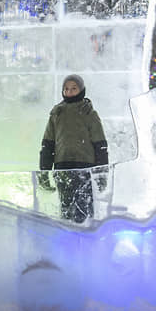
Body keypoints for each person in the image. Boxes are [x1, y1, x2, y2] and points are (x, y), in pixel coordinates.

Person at [38, 74, 109, 223]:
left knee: (84, 207)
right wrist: (44, 171)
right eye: (66, 89)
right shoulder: (56, 113)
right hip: (62, 166)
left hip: (85, 167)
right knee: (66, 207)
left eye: (74, 89)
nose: (69, 92)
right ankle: (68, 238)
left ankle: (86, 236)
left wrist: (101, 173)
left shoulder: (89, 113)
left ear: (82, 90)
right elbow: (47, 144)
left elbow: (100, 144)